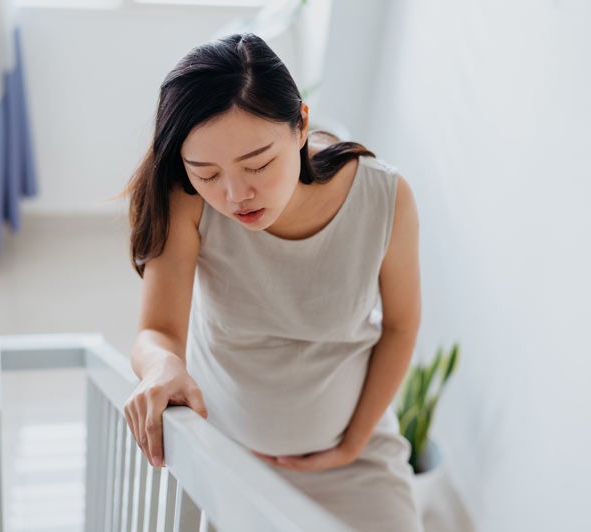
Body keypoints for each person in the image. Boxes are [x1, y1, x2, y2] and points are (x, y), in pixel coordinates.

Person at [120, 32, 423, 531]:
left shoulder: (384, 197)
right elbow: (157, 331)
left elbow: (401, 326)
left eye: (258, 163)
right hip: (227, 455)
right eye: (206, 173)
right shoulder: (188, 204)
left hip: (354, 462)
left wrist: (351, 443)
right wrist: (160, 367)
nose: (236, 194)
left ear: (301, 124)